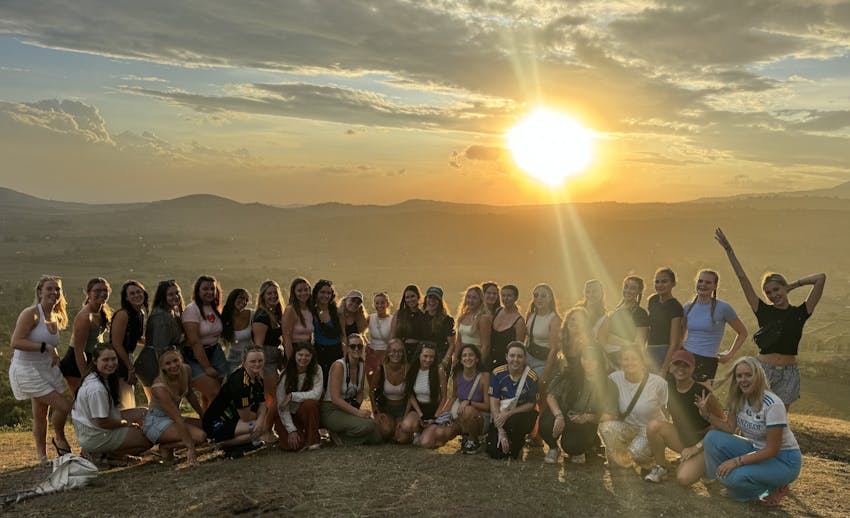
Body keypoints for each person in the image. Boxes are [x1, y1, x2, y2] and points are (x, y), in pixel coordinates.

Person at [716, 228, 826, 409]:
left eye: (776, 289)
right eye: (768, 292)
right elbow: (742, 278)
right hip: (763, 370)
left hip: (789, 373)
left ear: (784, 288)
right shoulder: (763, 311)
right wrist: (729, 251)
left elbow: (821, 278)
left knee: (779, 417)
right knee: (753, 413)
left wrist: (794, 285)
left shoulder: (800, 312)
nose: (773, 295)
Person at [701, 357, 802, 506]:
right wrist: (707, 415)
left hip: (784, 461)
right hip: (757, 450)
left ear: (758, 376)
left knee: (733, 478)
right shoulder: (738, 399)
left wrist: (737, 462)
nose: (743, 380)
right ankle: (725, 481)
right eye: (739, 376)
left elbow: (772, 450)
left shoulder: (773, 404)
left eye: (748, 375)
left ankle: (774, 487)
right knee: (712, 437)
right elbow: (730, 428)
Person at [9, 275, 72, 463]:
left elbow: (50, 343)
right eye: (49, 289)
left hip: (47, 369)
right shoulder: (31, 313)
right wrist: (47, 348)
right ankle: (60, 440)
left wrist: (56, 356)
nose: (54, 293)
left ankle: (42, 457)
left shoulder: (57, 315)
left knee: (40, 415)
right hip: (27, 370)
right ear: (40, 292)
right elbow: (15, 341)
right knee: (64, 406)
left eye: (57, 289)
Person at [644, 350, 723, 484]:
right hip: (683, 438)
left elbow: (721, 425)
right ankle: (661, 467)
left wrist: (697, 447)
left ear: (692, 368)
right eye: (677, 364)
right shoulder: (668, 387)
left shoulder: (703, 392)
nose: (681, 368)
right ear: (670, 366)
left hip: (704, 443)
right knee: (654, 426)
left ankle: (706, 464)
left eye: (685, 365)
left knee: (683, 479)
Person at [71, 344, 151, 463]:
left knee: (145, 413)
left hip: (95, 428)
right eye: (105, 360)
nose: (111, 363)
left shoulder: (101, 377)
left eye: (113, 359)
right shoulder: (96, 388)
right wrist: (126, 424)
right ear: (94, 361)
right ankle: (105, 455)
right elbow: (102, 422)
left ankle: (105, 452)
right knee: (147, 440)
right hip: (95, 434)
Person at [540, 345, 616, 465]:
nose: (588, 362)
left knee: (572, 446)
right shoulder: (570, 374)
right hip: (564, 413)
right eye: (584, 358)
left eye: (592, 359)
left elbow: (610, 414)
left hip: (585, 421)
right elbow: (551, 396)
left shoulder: (607, 383)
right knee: (545, 425)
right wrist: (558, 416)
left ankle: (580, 449)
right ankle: (553, 448)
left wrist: (588, 417)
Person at [598, 345, 668, 471]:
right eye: (626, 359)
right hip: (628, 426)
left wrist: (664, 436)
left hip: (649, 430)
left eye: (634, 359)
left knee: (637, 454)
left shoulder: (658, 383)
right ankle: (618, 459)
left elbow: (666, 409)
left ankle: (651, 459)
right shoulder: (614, 378)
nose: (630, 363)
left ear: (642, 361)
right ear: (620, 361)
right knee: (606, 427)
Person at [680, 270, 748, 384]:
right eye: (700, 281)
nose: (703, 285)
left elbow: (742, 333)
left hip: (707, 360)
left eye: (708, 282)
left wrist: (729, 355)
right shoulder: (688, 307)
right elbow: (680, 335)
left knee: (702, 397)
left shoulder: (723, 308)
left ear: (715, 286)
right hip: (686, 357)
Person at [202, 345, 269, 458]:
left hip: (234, 418)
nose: (257, 364)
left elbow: (263, 403)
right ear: (244, 362)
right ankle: (220, 443)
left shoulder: (258, 378)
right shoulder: (240, 383)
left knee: (261, 425)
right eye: (253, 361)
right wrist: (260, 420)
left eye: (260, 360)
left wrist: (261, 418)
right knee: (261, 428)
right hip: (217, 423)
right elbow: (246, 417)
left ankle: (240, 442)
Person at [142, 349, 206, 466]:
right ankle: (166, 447)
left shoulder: (186, 370)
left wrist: (202, 415)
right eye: (168, 363)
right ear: (162, 367)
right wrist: (191, 449)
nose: (173, 365)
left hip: (173, 418)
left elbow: (190, 394)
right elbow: (177, 418)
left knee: (208, 426)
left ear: (180, 360)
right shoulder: (159, 387)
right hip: (157, 422)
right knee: (200, 436)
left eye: (176, 361)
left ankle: (168, 446)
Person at [319, 333, 382, 445]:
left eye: (359, 346)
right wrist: (358, 413)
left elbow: (360, 392)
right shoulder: (339, 366)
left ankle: (341, 435)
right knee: (369, 425)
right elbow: (335, 399)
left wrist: (356, 408)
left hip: (348, 408)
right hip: (331, 410)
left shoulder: (361, 365)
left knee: (377, 435)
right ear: (347, 348)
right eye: (353, 346)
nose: (356, 349)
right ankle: (342, 439)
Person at [434, 343, 490, 454]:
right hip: (460, 414)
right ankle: (465, 436)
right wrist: (444, 414)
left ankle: (474, 440)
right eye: (464, 355)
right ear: (460, 359)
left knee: (467, 411)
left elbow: (488, 406)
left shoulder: (484, 376)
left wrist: (469, 403)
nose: (467, 358)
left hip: (481, 417)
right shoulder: (457, 375)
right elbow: (453, 397)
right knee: (442, 434)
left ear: (477, 359)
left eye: (471, 355)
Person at [182, 275, 228, 409]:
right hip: (195, 356)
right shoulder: (192, 310)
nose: (209, 292)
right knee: (214, 392)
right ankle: (215, 424)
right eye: (205, 289)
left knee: (209, 395)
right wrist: (207, 367)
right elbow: (195, 341)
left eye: (212, 289)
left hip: (215, 352)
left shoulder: (214, 308)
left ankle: (207, 424)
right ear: (198, 291)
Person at [487, 342, 539, 460]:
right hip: (500, 415)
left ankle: (517, 444)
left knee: (516, 424)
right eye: (512, 356)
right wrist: (500, 430)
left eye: (519, 356)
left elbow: (531, 404)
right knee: (495, 453)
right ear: (506, 357)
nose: (515, 359)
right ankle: (504, 439)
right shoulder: (497, 373)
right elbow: (494, 401)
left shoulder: (531, 377)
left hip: (520, 417)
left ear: (525, 358)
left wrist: (509, 413)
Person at [60, 277, 111, 395]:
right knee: (81, 403)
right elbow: (79, 351)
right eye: (97, 291)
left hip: (91, 360)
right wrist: (86, 378)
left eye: (105, 290)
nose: (102, 293)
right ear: (88, 293)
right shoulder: (84, 317)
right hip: (76, 364)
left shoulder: (101, 311)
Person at [138, 280, 185, 403]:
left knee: (160, 405)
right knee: (161, 405)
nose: (175, 296)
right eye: (170, 294)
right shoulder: (160, 317)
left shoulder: (170, 312)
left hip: (154, 364)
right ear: (162, 297)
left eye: (177, 293)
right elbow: (161, 348)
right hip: (153, 366)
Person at [397, 342, 447, 446]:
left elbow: (444, 397)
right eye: (425, 356)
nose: (428, 360)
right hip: (418, 409)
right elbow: (410, 394)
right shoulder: (412, 369)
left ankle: (430, 432)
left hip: (433, 411)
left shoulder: (439, 370)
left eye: (431, 357)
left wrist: (435, 417)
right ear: (419, 355)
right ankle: (420, 430)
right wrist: (420, 414)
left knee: (426, 443)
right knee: (405, 429)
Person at [275, 342, 323, 451]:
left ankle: (312, 440)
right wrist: (291, 430)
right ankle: (300, 437)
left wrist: (292, 396)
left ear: (312, 357)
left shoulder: (317, 370)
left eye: (307, 355)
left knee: (310, 404)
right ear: (294, 356)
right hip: (288, 415)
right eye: (300, 355)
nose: (303, 358)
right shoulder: (285, 375)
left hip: (304, 412)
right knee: (295, 445)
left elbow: (316, 394)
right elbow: (282, 406)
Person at [110, 280, 148, 409]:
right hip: (116, 360)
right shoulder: (123, 314)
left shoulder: (140, 313)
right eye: (132, 293)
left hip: (127, 357)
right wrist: (130, 368)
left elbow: (135, 338)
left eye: (139, 292)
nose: (136, 295)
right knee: (122, 397)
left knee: (127, 395)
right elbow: (116, 343)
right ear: (126, 298)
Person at [252, 281, 284, 435]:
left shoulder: (275, 313)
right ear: (263, 296)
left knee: (273, 398)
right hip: (266, 361)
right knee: (276, 397)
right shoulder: (262, 316)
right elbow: (258, 345)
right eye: (269, 293)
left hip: (275, 358)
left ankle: (269, 428)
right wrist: (259, 368)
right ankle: (266, 429)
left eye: (275, 293)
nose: (273, 296)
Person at [605, 276, 650, 368]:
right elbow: (605, 336)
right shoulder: (615, 311)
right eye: (626, 287)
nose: (628, 290)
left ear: (639, 291)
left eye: (633, 288)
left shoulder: (640, 313)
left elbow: (639, 344)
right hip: (608, 359)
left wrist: (612, 338)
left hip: (625, 361)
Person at [647, 268, 684, 375]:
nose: (660, 285)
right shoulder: (652, 300)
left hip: (664, 352)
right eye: (657, 282)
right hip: (649, 350)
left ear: (673, 283)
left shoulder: (675, 307)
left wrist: (664, 368)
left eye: (664, 281)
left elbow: (674, 342)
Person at [370, 338, 408, 441]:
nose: (396, 354)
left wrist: (406, 414)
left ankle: (398, 428)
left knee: (401, 438)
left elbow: (411, 395)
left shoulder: (407, 369)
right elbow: (371, 391)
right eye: (393, 351)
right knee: (386, 431)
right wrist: (376, 411)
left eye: (400, 351)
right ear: (388, 353)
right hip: (386, 408)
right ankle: (389, 426)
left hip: (402, 409)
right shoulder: (381, 369)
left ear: (403, 354)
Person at [524, 284, 562, 383]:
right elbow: (527, 338)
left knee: (535, 388)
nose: (539, 298)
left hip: (543, 361)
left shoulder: (554, 319)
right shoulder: (530, 315)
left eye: (543, 296)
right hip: (528, 357)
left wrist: (546, 373)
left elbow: (554, 349)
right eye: (536, 295)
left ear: (550, 298)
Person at [311, 279, 346, 382]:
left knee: (335, 382)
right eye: (322, 292)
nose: (325, 295)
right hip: (318, 352)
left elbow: (343, 335)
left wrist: (345, 357)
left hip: (336, 351)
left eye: (328, 293)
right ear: (316, 293)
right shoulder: (312, 312)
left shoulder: (337, 313)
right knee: (320, 382)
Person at [490, 284, 527, 372]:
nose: (505, 299)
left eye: (509, 296)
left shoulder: (519, 322)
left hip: (506, 364)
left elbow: (519, 348)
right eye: (503, 295)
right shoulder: (497, 311)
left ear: (516, 298)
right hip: (490, 360)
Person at [454, 285, 493, 367]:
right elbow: (458, 342)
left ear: (480, 300)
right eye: (468, 297)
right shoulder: (462, 317)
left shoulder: (483, 318)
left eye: (474, 298)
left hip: (475, 359)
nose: (470, 300)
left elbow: (486, 345)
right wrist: (455, 360)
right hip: (463, 358)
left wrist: (479, 363)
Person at [421, 286, 456, 373]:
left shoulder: (447, 320)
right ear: (426, 299)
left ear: (440, 302)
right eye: (430, 297)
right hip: (424, 359)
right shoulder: (421, 317)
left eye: (435, 298)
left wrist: (445, 362)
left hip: (441, 359)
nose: (432, 301)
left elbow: (452, 344)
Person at [391, 284, 427, 363]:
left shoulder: (424, 315)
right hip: (401, 352)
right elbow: (393, 336)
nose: (410, 299)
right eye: (407, 297)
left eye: (412, 296)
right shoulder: (399, 314)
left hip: (419, 353)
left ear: (418, 297)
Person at [365, 291, 393, 394]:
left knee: (384, 384)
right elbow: (361, 332)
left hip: (386, 355)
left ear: (387, 304)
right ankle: (374, 409)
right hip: (372, 355)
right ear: (374, 304)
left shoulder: (392, 319)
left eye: (382, 303)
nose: (380, 305)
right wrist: (366, 343)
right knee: (372, 385)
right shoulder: (370, 318)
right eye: (377, 303)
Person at [222, 288, 253, 375]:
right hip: (233, 358)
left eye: (246, 300)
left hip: (250, 356)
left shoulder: (252, 314)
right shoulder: (224, 318)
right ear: (232, 298)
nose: (244, 302)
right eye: (241, 298)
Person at [282, 277, 313, 360]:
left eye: (306, 290)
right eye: (299, 291)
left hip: (307, 350)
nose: (303, 293)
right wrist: (291, 359)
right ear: (294, 293)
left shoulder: (310, 309)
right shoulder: (291, 310)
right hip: (294, 350)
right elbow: (286, 337)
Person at [576, 279, 608, 346]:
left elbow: (601, 339)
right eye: (587, 292)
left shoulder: (604, 316)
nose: (590, 295)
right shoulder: (578, 309)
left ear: (601, 293)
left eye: (594, 291)